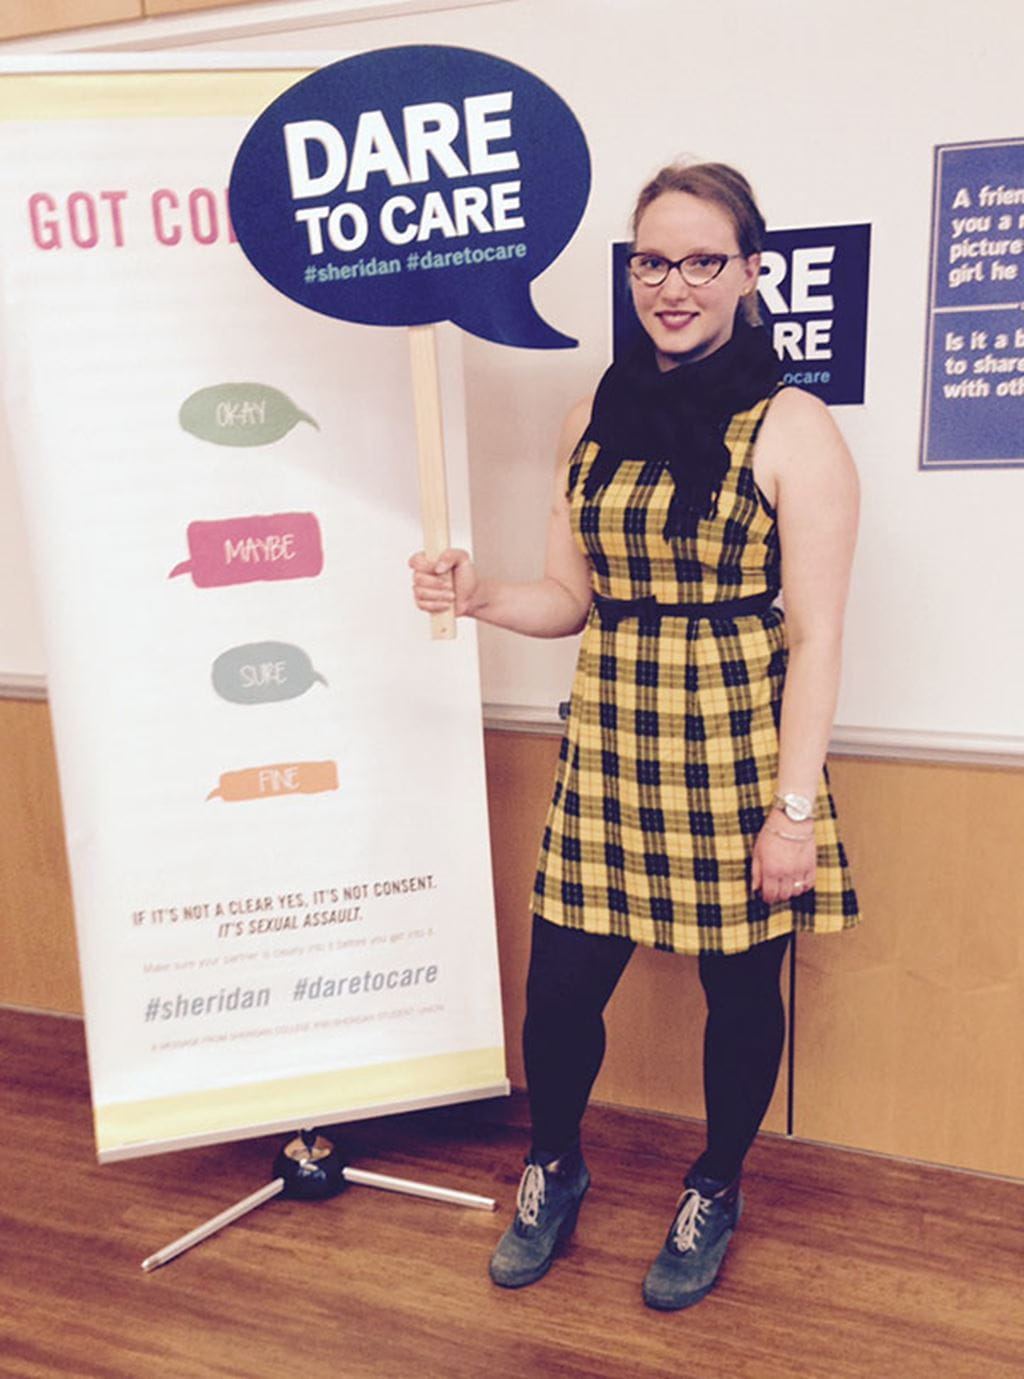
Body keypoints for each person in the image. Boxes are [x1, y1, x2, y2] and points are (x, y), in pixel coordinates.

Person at [409, 160, 859, 1312]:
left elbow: (816, 635)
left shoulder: (793, 427)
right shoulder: (591, 417)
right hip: (609, 746)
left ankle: (715, 1184)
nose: (673, 284)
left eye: (702, 260)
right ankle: (553, 1164)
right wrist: (477, 594)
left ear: (749, 271)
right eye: (653, 260)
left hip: (737, 754)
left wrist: (792, 813)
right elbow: (571, 599)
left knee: (740, 994)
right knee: (558, 992)